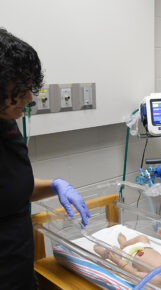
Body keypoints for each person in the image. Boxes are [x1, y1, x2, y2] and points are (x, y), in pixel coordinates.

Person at [0, 28, 91, 289]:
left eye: (30, 87)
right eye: (19, 88)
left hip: (20, 272)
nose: (29, 98)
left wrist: (52, 185)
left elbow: (11, 188)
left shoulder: (7, 124)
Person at [94, 228, 161, 288]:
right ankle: (124, 243)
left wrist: (118, 261)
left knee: (111, 250)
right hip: (144, 247)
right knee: (143, 237)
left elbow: (136, 274)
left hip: (128, 256)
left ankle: (105, 253)